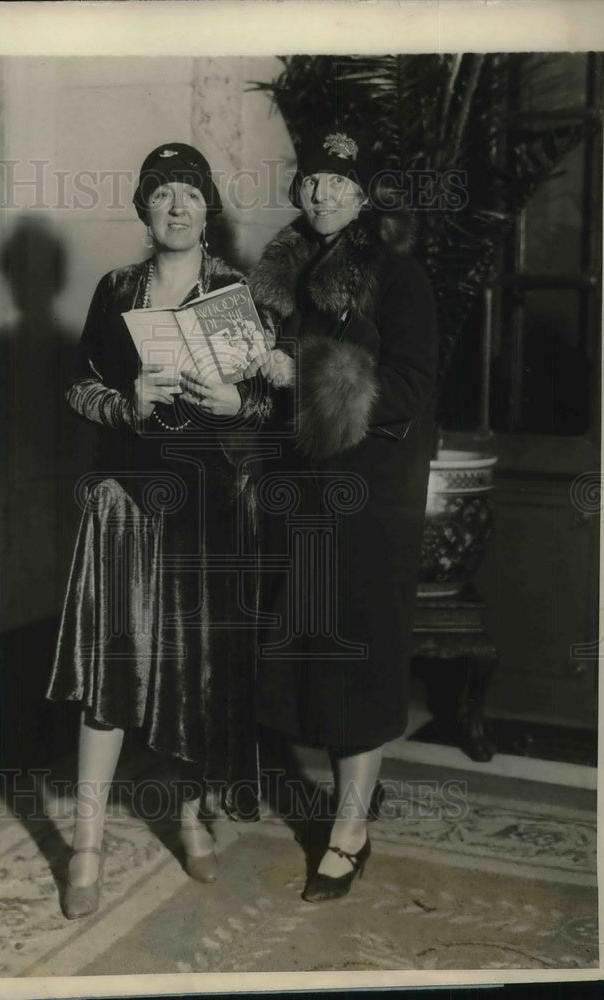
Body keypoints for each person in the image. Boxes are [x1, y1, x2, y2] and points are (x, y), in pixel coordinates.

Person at [46, 142, 270, 919]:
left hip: (207, 506)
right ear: (144, 208)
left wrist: (236, 405)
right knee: (109, 674)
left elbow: (270, 407)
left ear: (209, 210)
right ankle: (86, 845)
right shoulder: (115, 289)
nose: (177, 207)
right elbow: (77, 385)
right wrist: (127, 403)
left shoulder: (236, 293)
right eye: (163, 194)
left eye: (190, 194)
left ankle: (188, 816)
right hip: (124, 504)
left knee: (194, 671)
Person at [247, 129, 439, 901]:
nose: (321, 193)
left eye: (338, 181)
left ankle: (349, 832)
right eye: (311, 180)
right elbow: (268, 388)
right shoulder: (282, 274)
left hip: (369, 494)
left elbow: (411, 384)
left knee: (357, 653)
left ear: (363, 196)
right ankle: (348, 795)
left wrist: (304, 373)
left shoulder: (397, 276)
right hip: (300, 489)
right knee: (311, 650)